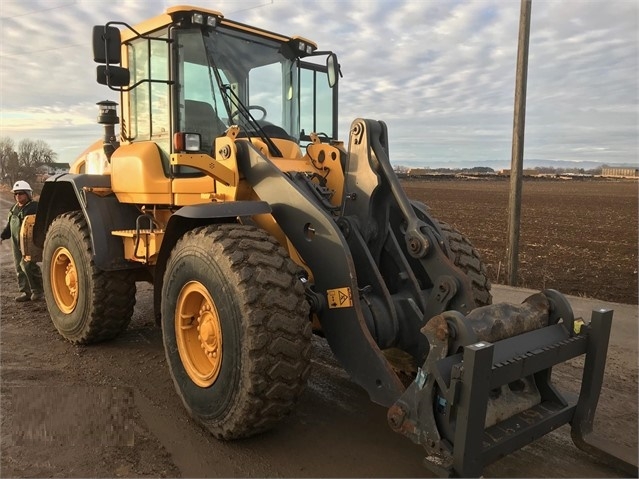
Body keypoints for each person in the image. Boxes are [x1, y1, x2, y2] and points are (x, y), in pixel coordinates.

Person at [1, 180, 44, 302]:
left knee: (28, 265)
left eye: (21, 193)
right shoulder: (14, 208)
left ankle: (38, 291)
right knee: (18, 267)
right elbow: (10, 226)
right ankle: (26, 292)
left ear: (28, 194)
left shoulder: (34, 207)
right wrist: (2, 236)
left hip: (29, 241)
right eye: (16, 194)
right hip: (16, 242)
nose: (18, 196)